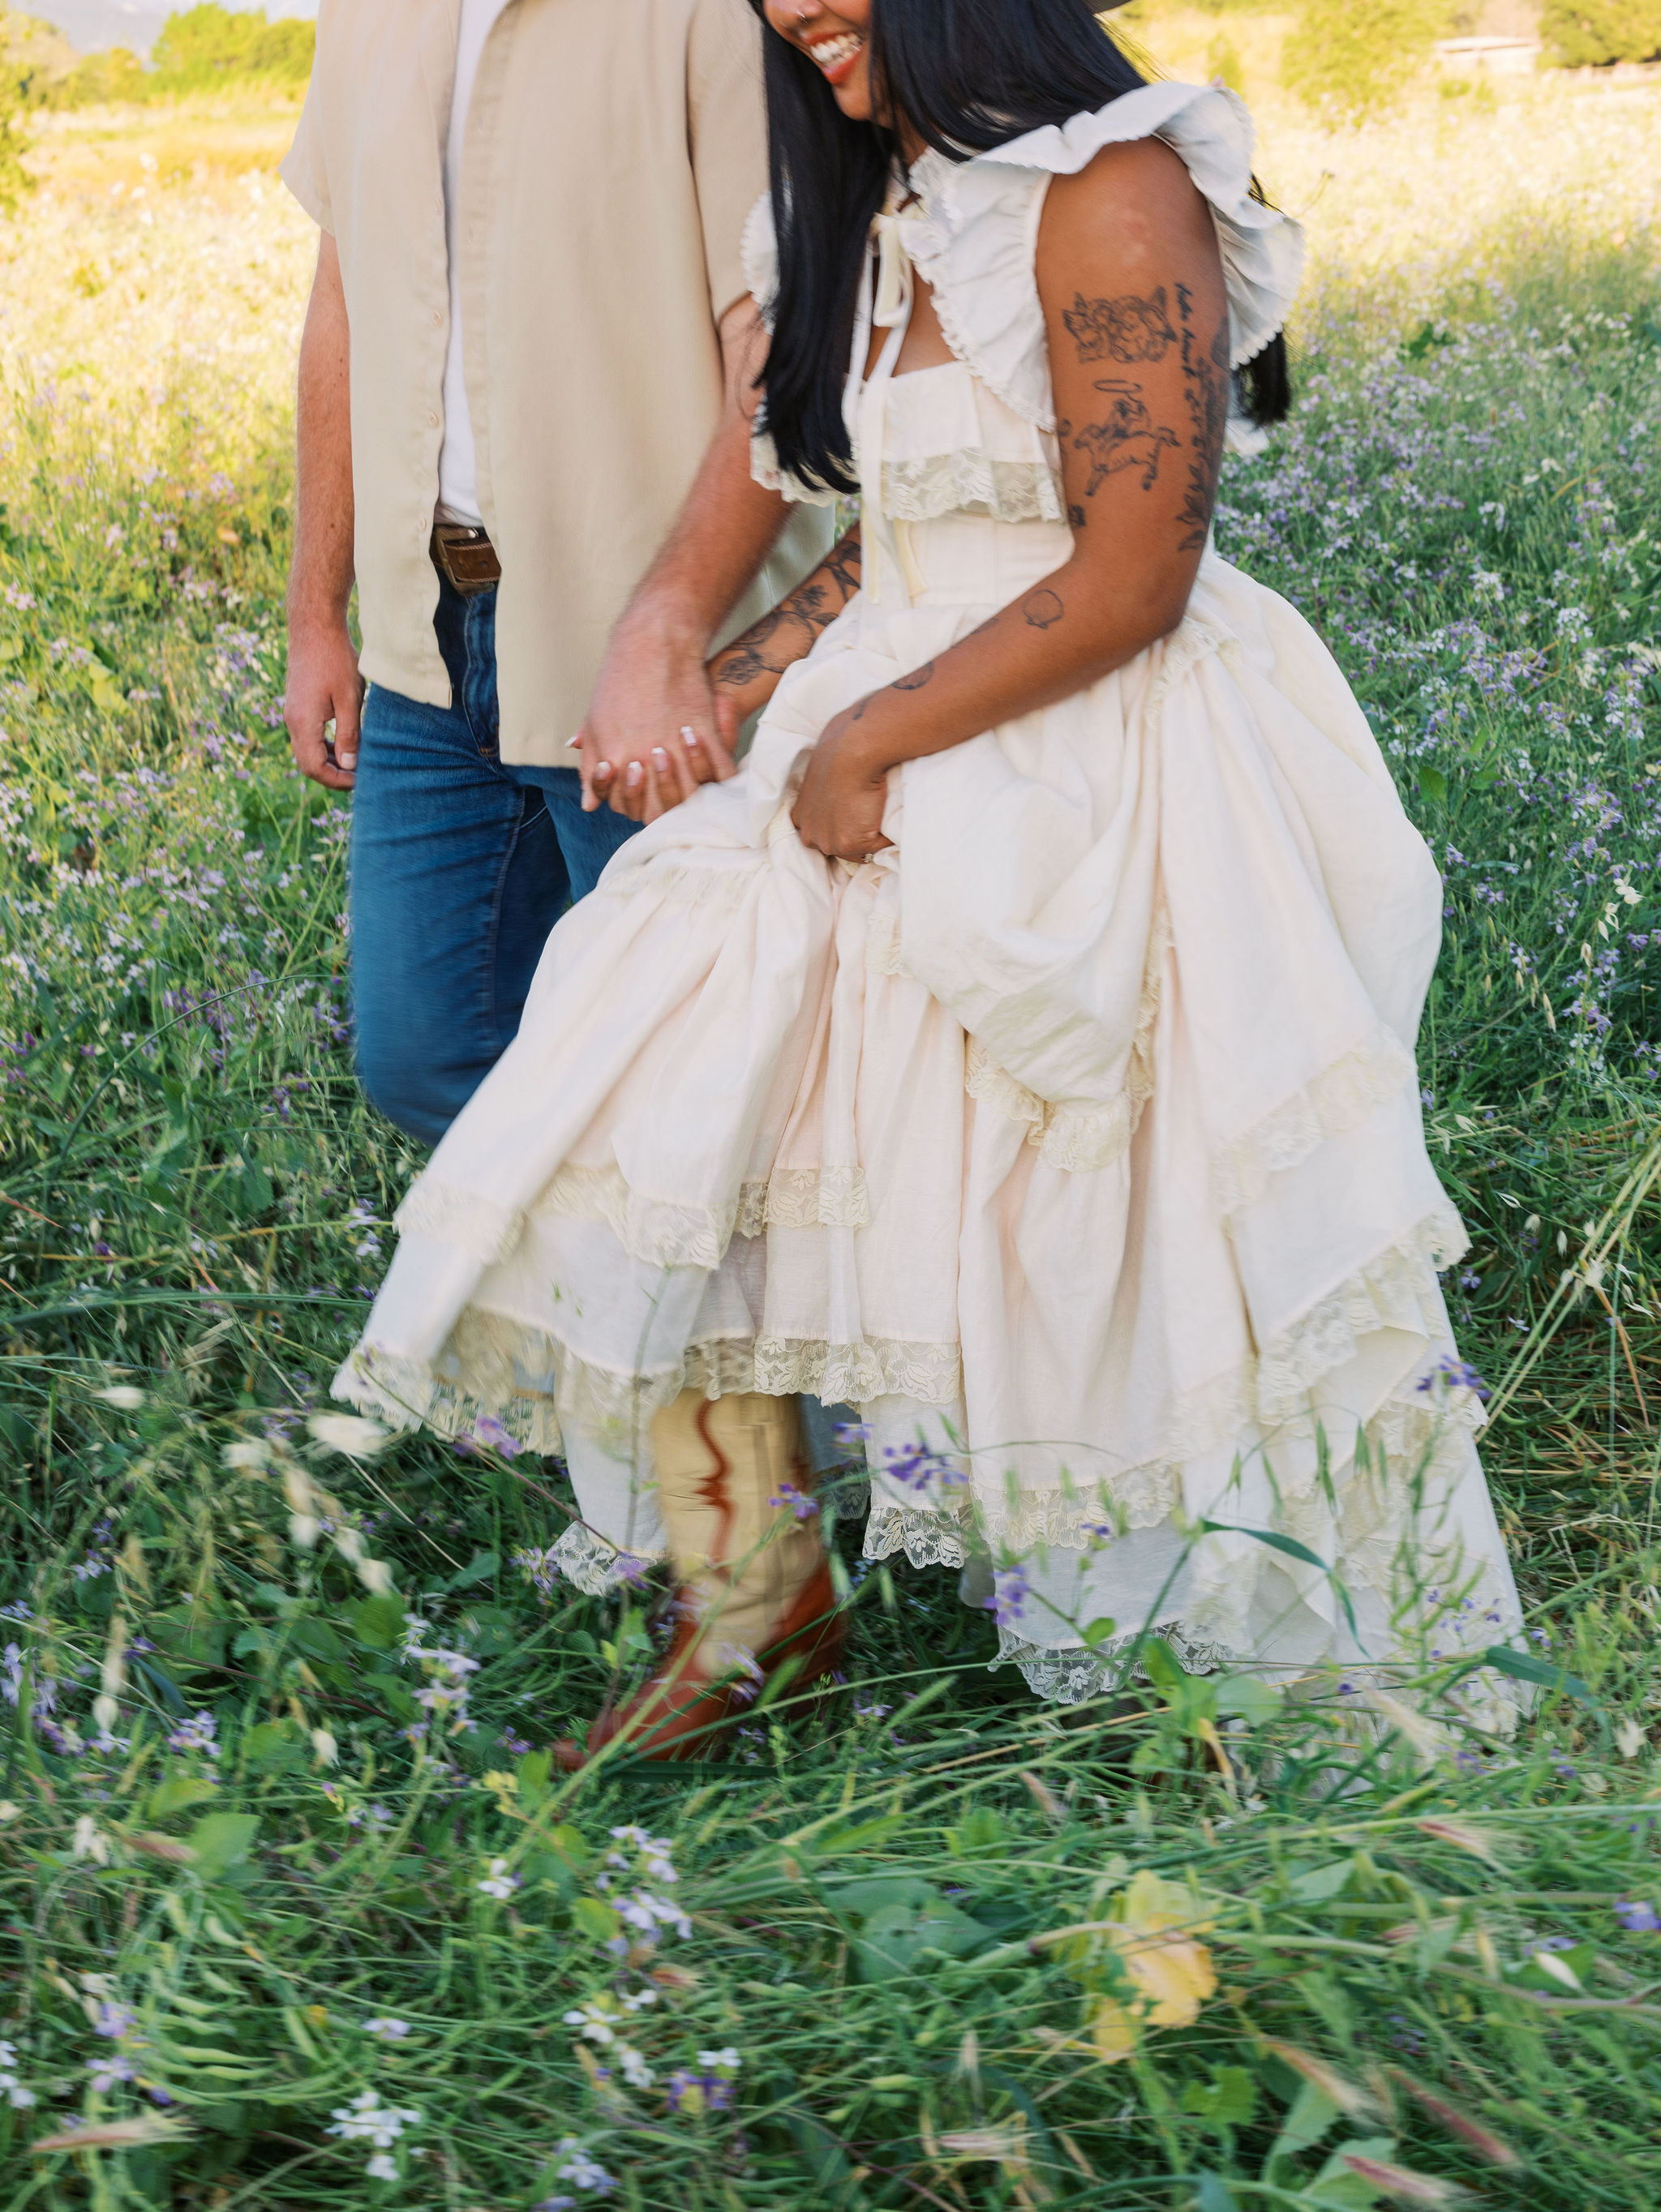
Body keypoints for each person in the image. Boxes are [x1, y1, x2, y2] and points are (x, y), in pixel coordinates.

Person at [335, 0, 1522, 1760]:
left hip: (1098, 752)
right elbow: (903, 539)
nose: (789, 4)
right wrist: (746, 674)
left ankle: (1235, 1653)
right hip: (888, 714)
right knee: (657, 1071)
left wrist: (872, 738)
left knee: (1124, 1226)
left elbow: (1133, 568)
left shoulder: (1109, 183)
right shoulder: (875, 207)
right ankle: (750, 1601)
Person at [279, 0, 827, 1147]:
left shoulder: (706, 13)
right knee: (425, 1052)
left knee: (707, 1068)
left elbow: (776, 342)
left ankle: (701, 1304)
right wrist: (314, 616)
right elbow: (341, 301)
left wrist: (669, 631)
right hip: (424, 646)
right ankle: (596, 1282)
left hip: (649, 648)